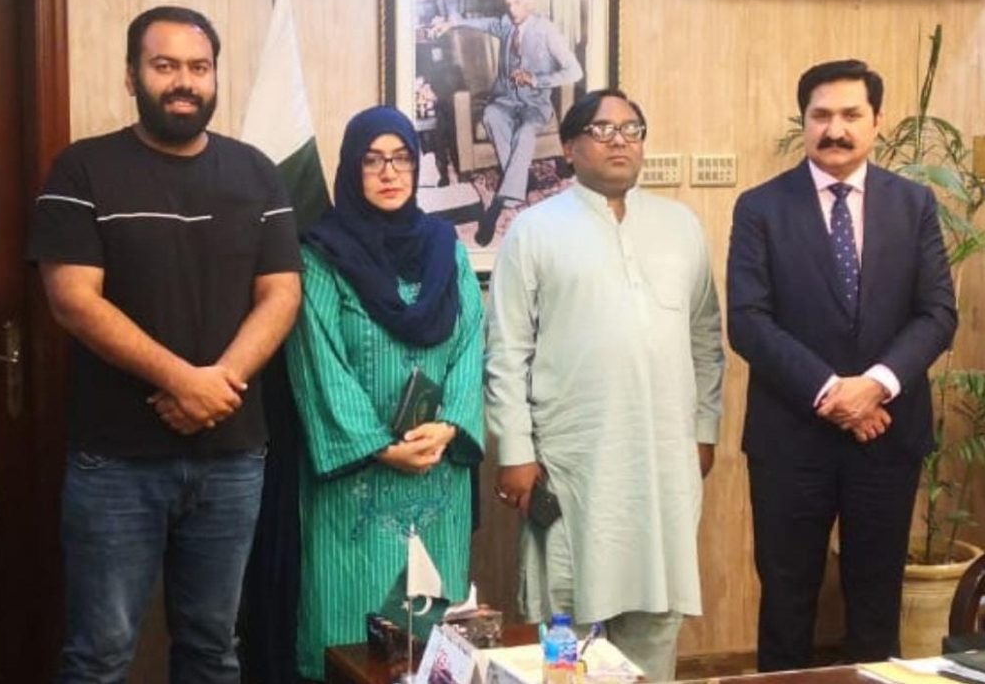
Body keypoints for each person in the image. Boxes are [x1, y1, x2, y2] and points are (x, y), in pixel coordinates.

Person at [27, 6, 302, 682]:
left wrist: (217, 383)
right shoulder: (82, 169)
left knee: (213, 647)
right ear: (132, 76)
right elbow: (73, 299)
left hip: (232, 456)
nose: (184, 81)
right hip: (116, 460)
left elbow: (282, 294)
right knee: (100, 653)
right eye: (165, 65)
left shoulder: (258, 172)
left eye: (199, 67)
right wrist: (185, 381)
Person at [726, 59, 957, 670]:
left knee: (876, 605)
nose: (836, 129)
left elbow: (937, 313)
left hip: (887, 436)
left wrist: (876, 386)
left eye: (851, 114)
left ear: (877, 121)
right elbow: (748, 321)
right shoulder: (760, 208)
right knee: (787, 602)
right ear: (803, 121)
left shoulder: (914, 204)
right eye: (821, 115)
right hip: (791, 439)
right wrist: (835, 393)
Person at [486, 88, 724, 682]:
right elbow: (507, 351)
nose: (620, 140)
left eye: (632, 129)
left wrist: (704, 429)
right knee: (567, 617)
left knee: (656, 617)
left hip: (662, 463)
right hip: (573, 463)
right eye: (602, 129)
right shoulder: (534, 230)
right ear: (569, 148)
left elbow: (705, 338)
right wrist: (514, 452)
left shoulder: (680, 226)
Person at [285, 105, 484, 681]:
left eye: (401, 159)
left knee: (433, 645)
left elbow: (473, 341)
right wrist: (380, 446)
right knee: (352, 635)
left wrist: (451, 424)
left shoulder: (446, 248)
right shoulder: (319, 255)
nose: (389, 173)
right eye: (372, 160)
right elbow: (317, 360)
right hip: (357, 482)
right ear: (351, 169)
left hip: (437, 474)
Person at [437, 0, 583, 245]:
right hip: (505, 101)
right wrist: (453, 22)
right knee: (491, 115)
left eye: (518, 3)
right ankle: (521, 182)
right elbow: (484, 23)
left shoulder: (547, 31)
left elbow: (575, 71)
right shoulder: (506, 24)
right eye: (509, 4)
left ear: (531, 2)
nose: (513, 9)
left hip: (534, 105)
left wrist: (537, 80)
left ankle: (500, 203)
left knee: (526, 132)